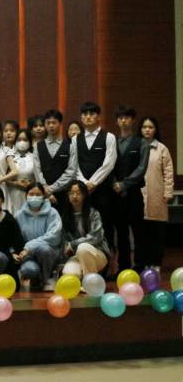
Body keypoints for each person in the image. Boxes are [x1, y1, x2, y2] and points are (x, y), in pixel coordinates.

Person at [70, 102, 117, 273]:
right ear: (81, 117)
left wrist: (93, 182)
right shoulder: (75, 139)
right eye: (85, 114)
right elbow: (74, 164)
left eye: (92, 114)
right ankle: (86, 265)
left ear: (98, 116)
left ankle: (108, 266)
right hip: (83, 192)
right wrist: (84, 184)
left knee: (106, 226)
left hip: (103, 190)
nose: (88, 117)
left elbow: (109, 163)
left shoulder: (109, 137)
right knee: (84, 226)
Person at [112, 105, 149, 271]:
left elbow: (141, 169)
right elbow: (108, 166)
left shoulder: (141, 142)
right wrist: (115, 183)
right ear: (116, 121)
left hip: (134, 194)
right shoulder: (112, 142)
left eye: (126, 117)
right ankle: (123, 267)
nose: (123, 121)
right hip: (116, 195)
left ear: (133, 120)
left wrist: (124, 184)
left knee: (138, 231)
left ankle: (140, 266)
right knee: (121, 233)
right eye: (120, 118)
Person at [139, 116, 174, 271]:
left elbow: (168, 172)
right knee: (142, 233)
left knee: (157, 233)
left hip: (157, 195)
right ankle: (145, 262)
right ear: (140, 129)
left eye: (150, 127)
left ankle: (156, 263)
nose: (147, 130)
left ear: (155, 130)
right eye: (144, 127)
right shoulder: (137, 146)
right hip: (139, 196)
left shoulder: (162, 149)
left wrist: (168, 192)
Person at [14, 184, 63, 291]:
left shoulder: (53, 213)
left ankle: (47, 278)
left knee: (44, 249)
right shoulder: (19, 215)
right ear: (26, 196)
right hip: (28, 256)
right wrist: (13, 252)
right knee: (28, 270)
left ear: (44, 196)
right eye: (31, 194)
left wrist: (29, 247)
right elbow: (13, 237)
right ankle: (36, 279)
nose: (34, 197)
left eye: (38, 194)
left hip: (49, 253)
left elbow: (54, 237)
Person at [59, 181, 110, 279]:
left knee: (82, 248)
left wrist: (73, 244)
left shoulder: (93, 213)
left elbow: (96, 237)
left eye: (78, 193)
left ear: (84, 195)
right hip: (77, 255)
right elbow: (64, 242)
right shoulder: (65, 216)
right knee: (69, 274)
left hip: (98, 253)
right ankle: (88, 275)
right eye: (71, 193)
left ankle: (90, 282)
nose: (75, 196)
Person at [33, 109, 75, 208]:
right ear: (45, 125)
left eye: (54, 123)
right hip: (43, 194)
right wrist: (45, 188)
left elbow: (71, 171)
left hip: (64, 194)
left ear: (60, 124)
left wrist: (51, 189)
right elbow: (37, 170)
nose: (51, 126)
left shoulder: (70, 146)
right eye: (48, 123)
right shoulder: (38, 146)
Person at [6, 129, 37, 214]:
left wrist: (31, 184)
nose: (22, 142)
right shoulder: (10, 157)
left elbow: (38, 177)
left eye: (25, 140)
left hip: (30, 193)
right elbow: (4, 177)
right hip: (12, 193)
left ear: (30, 142)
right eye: (19, 140)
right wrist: (16, 184)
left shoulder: (35, 157)